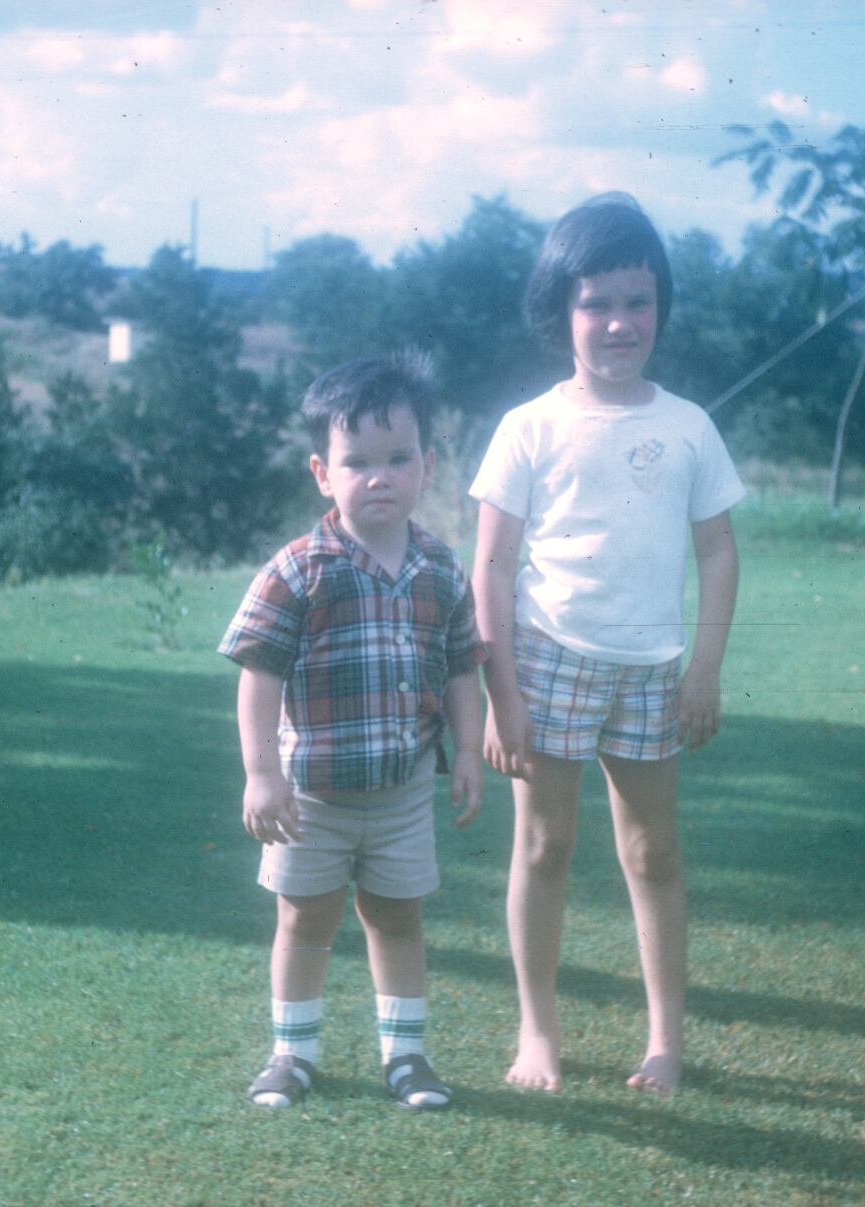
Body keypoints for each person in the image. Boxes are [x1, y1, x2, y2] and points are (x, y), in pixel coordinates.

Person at [469, 193, 744, 1096]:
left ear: (659, 306)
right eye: (597, 303)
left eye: (639, 300)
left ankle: (665, 1042)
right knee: (545, 846)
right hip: (547, 659)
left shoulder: (689, 425)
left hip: (655, 668)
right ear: (563, 311)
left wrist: (704, 665)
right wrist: (502, 693)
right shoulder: (528, 427)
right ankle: (538, 1034)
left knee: (653, 852)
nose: (620, 322)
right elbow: (493, 571)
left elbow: (717, 550)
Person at [219, 353, 486, 1110]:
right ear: (321, 472)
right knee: (305, 920)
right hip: (311, 797)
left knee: (397, 919)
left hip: (402, 792)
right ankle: (291, 1055)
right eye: (357, 461)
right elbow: (259, 672)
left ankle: (407, 1058)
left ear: (427, 466)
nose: (379, 476)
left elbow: (462, 665)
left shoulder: (441, 568)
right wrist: (261, 772)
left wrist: (468, 748)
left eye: (398, 458)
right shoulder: (299, 570)